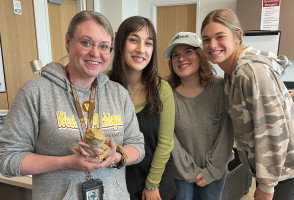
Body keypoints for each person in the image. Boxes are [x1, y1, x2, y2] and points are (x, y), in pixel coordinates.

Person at [0, 10, 145, 200]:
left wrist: (115, 156)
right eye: (86, 42)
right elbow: (7, 159)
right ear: (68, 42)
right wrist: (66, 162)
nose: (95, 53)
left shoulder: (118, 94)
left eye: (104, 46)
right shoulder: (35, 92)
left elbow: (138, 146)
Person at [201, 8, 294, 200]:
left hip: (285, 170)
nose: (212, 45)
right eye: (206, 39)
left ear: (238, 35)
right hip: (275, 169)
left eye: (220, 36)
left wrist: (266, 186)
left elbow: (272, 132)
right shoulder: (231, 72)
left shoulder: (250, 72)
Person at [109, 16, 177, 200]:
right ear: (120, 43)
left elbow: (165, 144)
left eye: (148, 43)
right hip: (117, 180)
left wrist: (152, 184)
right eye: (133, 40)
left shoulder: (161, 88)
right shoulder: (104, 85)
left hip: (155, 181)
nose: (141, 49)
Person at [164, 32, 234, 200]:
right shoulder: (166, 92)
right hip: (180, 171)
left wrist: (211, 171)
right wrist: (189, 170)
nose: (181, 59)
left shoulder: (220, 88)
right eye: (175, 55)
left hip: (215, 170)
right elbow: (168, 137)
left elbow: (227, 132)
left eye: (188, 51)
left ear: (201, 55)